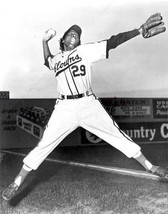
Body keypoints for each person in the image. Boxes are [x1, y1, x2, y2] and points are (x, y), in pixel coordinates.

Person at [2, 13, 168, 201]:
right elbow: (47, 60)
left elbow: (114, 41)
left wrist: (138, 31)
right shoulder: (56, 60)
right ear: (63, 40)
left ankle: (149, 166)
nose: (75, 35)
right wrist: (43, 41)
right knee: (44, 144)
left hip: (88, 104)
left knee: (116, 134)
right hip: (64, 108)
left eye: (77, 35)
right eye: (71, 33)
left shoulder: (86, 51)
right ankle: (17, 181)